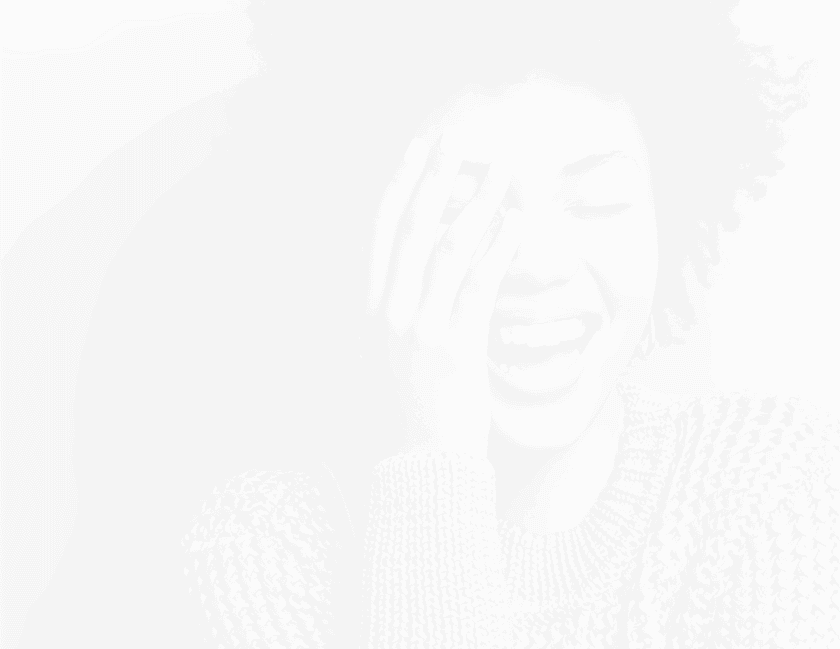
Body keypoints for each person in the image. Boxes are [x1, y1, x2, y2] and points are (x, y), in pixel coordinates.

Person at [18, 2, 831, 648]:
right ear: (360, 232)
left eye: (597, 202)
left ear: (668, 214)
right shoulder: (268, 547)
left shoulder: (767, 480)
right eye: (463, 208)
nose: (538, 262)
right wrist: (436, 459)